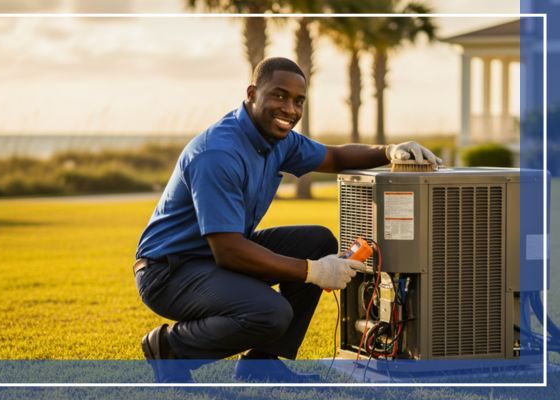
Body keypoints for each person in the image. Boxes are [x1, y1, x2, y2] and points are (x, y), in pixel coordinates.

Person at [134, 57, 442, 383]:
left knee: (317, 241)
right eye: (279, 96)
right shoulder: (218, 153)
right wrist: (314, 271)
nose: (290, 110)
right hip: (170, 270)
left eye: (298, 101)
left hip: (213, 255)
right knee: (271, 312)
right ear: (252, 93)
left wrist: (389, 150)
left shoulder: (278, 140)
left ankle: (260, 364)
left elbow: (334, 156)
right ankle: (170, 349)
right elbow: (229, 251)